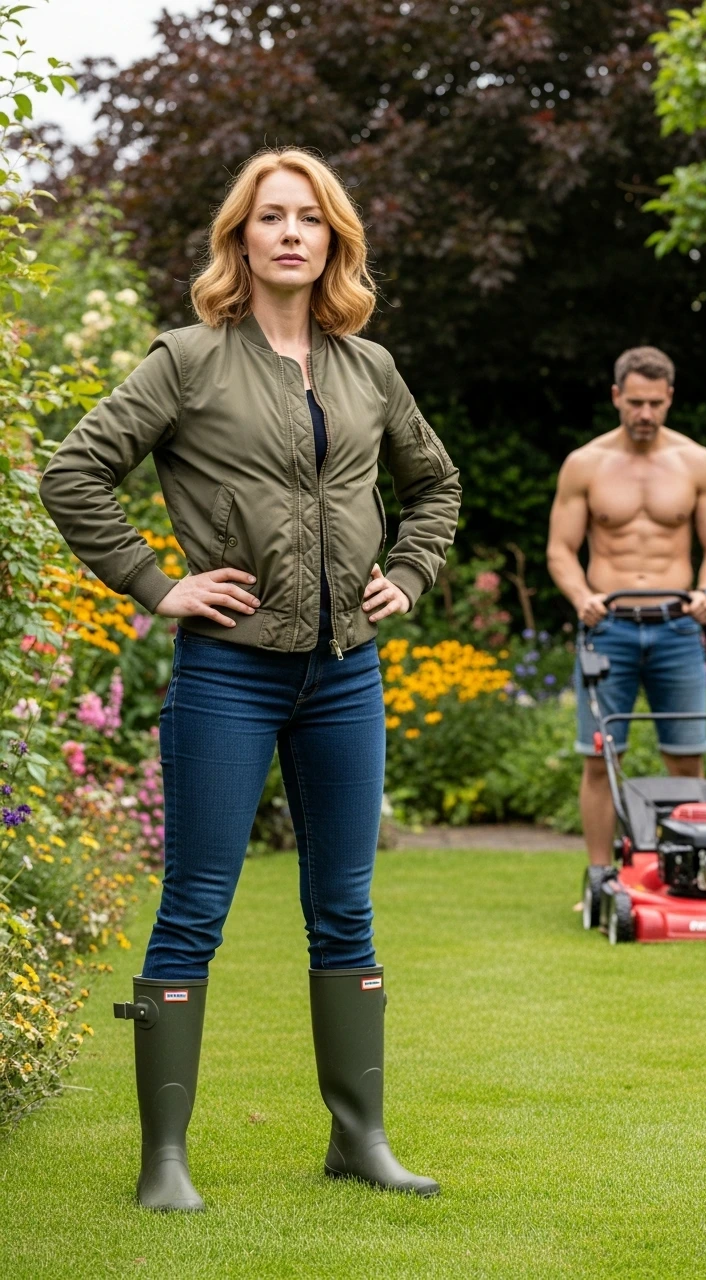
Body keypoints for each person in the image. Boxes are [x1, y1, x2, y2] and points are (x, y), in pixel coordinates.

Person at [39, 147, 461, 1210]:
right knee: (194, 908)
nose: (289, 233)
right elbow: (74, 471)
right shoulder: (187, 361)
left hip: (345, 676)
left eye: (307, 218)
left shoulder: (368, 368)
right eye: (269, 216)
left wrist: (409, 572)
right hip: (228, 671)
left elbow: (436, 485)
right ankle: (164, 1162)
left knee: (345, 910)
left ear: (332, 241)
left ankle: (359, 1139)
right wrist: (155, 584)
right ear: (240, 237)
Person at [546, 346, 706, 869]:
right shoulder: (586, 464)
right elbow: (560, 549)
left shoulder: (697, 462)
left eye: (655, 402)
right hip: (608, 629)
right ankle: (600, 879)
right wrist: (582, 597)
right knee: (600, 760)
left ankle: (693, 870)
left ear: (670, 397)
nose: (645, 413)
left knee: (688, 758)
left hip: (678, 629)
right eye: (635, 402)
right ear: (616, 397)